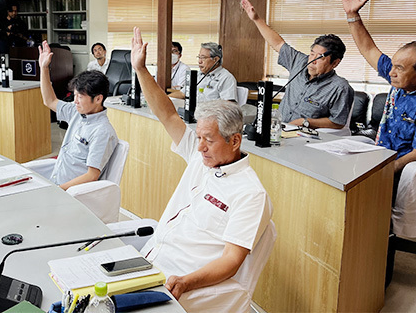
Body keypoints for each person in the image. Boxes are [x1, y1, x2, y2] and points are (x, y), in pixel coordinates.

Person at [130, 27, 272, 312]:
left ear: (235, 141)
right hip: (152, 258)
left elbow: (232, 261)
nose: (199, 148)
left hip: (181, 280)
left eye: (209, 140)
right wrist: (140, 69)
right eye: (198, 138)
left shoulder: (250, 193)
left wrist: (186, 282)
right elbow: (167, 113)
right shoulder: (202, 158)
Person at [339, 0, 416, 173]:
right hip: (380, 157)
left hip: (402, 172)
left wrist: (387, 170)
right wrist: (352, 15)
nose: (391, 73)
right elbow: (368, 49)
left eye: (399, 68)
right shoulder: (399, 79)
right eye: (392, 66)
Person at [241, 0, 354, 129]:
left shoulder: (340, 87)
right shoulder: (300, 62)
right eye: (312, 54)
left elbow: (338, 122)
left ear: (335, 63)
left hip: (306, 136)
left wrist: (306, 122)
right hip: (277, 129)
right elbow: (278, 43)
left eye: (320, 57)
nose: (312, 60)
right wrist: (256, 19)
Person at [38, 40, 118, 190]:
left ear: (98, 99)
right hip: (55, 180)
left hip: (69, 193)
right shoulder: (77, 111)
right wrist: (44, 68)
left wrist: (58, 191)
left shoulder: (102, 131)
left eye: (80, 97)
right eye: (75, 95)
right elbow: (50, 101)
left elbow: (91, 175)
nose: (75, 101)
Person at [169, 42, 237, 102]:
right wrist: (166, 99)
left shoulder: (226, 78)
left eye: (203, 58)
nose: (199, 61)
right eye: (199, 57)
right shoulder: (199, 75)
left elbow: (228, 105)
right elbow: (182, 93)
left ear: (215, 60)